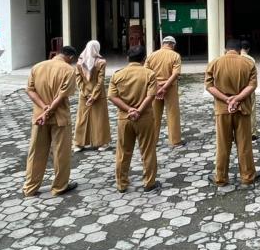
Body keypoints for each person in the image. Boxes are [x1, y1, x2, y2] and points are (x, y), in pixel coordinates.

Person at [22, 46, 79, 197]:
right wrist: (49, 111)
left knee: (36, 152)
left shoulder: (37, 67)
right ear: (70, 57)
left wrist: (43, 108)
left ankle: (30, 187)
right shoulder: (68, 70)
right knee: (61, 153)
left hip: (39, 118)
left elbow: (29, 90)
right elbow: (62, 96)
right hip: (60, 118)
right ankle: (59, 186)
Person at [205, 39, 260, 186]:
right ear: (240, 50)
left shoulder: (215, 63)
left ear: (226, 50)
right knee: (244, 144)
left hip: (222, 109)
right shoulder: (248, 63)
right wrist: (237, 98)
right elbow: (253, 85)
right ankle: (247, 176)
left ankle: (221, 178)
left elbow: (209, 86)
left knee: (222, 144)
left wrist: (226, 99)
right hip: (243, 109)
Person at [109, 45, 160, 192]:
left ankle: (121, 184)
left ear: (127, 58)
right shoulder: (149, 74)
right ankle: (149, 183)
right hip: (144, 118)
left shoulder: (117, 75)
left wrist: (128, 109)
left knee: (123, 152)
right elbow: (151, 96)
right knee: (148, 150)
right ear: (144, 59)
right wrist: (138, 111)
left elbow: (112, 97)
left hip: (124, 118)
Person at [145, 36, 183, 147]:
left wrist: (157, 86)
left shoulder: (151, 55)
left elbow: (146, 73)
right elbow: (175, 74)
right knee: (172, 113)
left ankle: (152, 141)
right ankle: (175, 141)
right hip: (170, 87)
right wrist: (164, 87)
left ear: (163, 44)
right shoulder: (175, 55)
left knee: (154, 115)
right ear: (172, 44)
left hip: (154, 88)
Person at [73, 40, 111, 151]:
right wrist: (93, 96)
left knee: (82, 119)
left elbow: (78, 80)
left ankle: (79, 144)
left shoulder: (80, 62)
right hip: (98, 94)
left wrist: (86, 93)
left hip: (84, 94)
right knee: (100, 118)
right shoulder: (101, 62)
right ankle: (102, 143)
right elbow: (100, 81)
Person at [240, 40, 258, 140]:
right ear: (248, 49)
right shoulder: (251, 60)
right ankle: (252, 133)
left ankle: (238, 132)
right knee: (251, 109)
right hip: (249, 88)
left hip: (237, 88)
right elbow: (254, 76)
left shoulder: (236, 58)